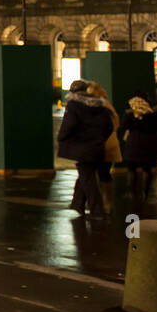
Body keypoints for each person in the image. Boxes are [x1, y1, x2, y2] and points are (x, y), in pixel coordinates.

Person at [58, 80, 114, 219]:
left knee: (88, 178)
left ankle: (97, 211)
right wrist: (99, 139)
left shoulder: (74, 105)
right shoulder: (100, 105)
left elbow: (69, 124)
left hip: (81, 148)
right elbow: (109, 127)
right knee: (85, 174)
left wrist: (62, 137)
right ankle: (78, 204)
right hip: (97, 147)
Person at [121, 93, 157, 212]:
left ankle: (131, 192)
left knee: (131, 169)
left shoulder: (130, 113)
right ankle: (146, 192)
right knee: (147, 169)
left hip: (134, 143)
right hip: (149, 144)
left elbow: (124, 126)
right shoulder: (154, 113)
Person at [86, 81, 119, 206]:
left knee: (95, 174)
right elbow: (116, 123)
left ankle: (99, 203)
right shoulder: (107, 105)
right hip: (109, 144)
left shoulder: (97, 106)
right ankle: (107, 202)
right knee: (104, 173)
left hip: (98, 144)